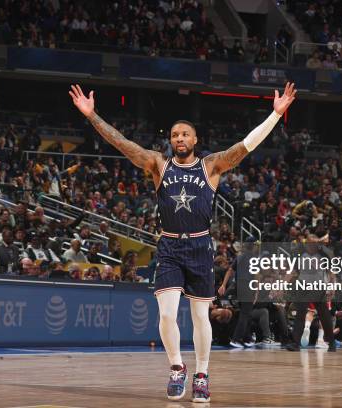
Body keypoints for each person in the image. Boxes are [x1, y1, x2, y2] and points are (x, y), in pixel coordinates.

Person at [69, 81, 297, 403]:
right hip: (170, 247)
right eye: (175, 135)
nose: (179, 139)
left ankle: (202, 374)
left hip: (201, 247)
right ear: (171, 140)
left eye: (185, 134)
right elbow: (122, 144)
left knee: (201, 317)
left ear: (194, 140)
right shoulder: (158, 165)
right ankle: (177, 367)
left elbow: (246, 146)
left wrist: (275, 116)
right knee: (165, 315)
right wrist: (92, 116)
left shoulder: (211, 165)